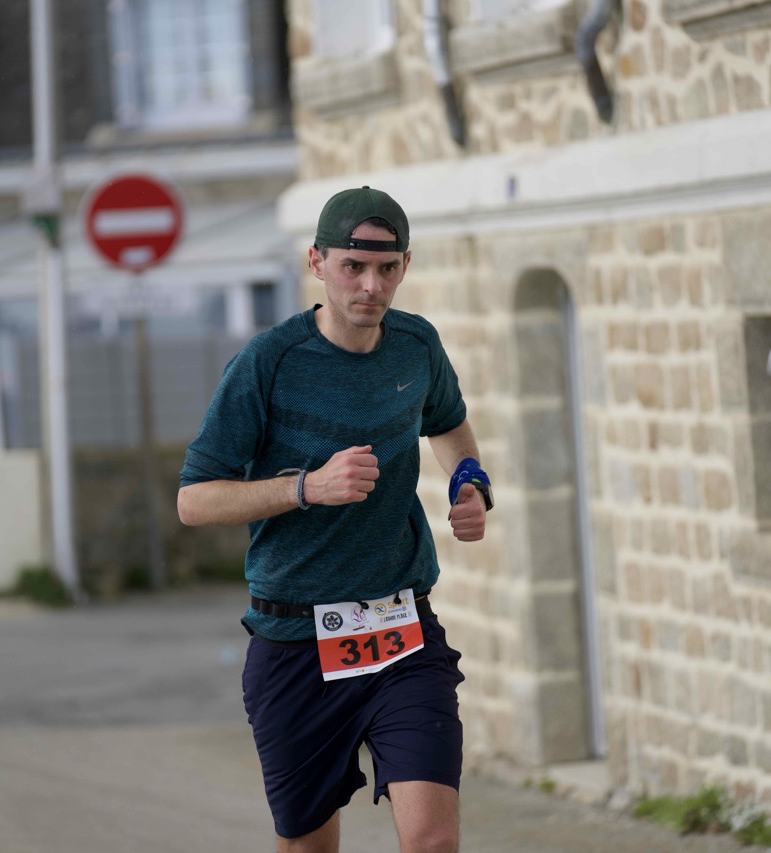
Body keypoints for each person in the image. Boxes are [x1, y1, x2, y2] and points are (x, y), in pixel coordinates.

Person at [178, 185, 492, 853]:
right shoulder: (268, 363)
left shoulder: (416, 344)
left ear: (405, 266)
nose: (371, 286)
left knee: (433, 841)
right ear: (317, 262)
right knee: (310, 847)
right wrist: (307, 487)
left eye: (387, 268)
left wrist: (469, 481)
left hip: (401, 629)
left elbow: (448, 423)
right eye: (353, 266)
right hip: (295, 642)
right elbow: (194, 499)